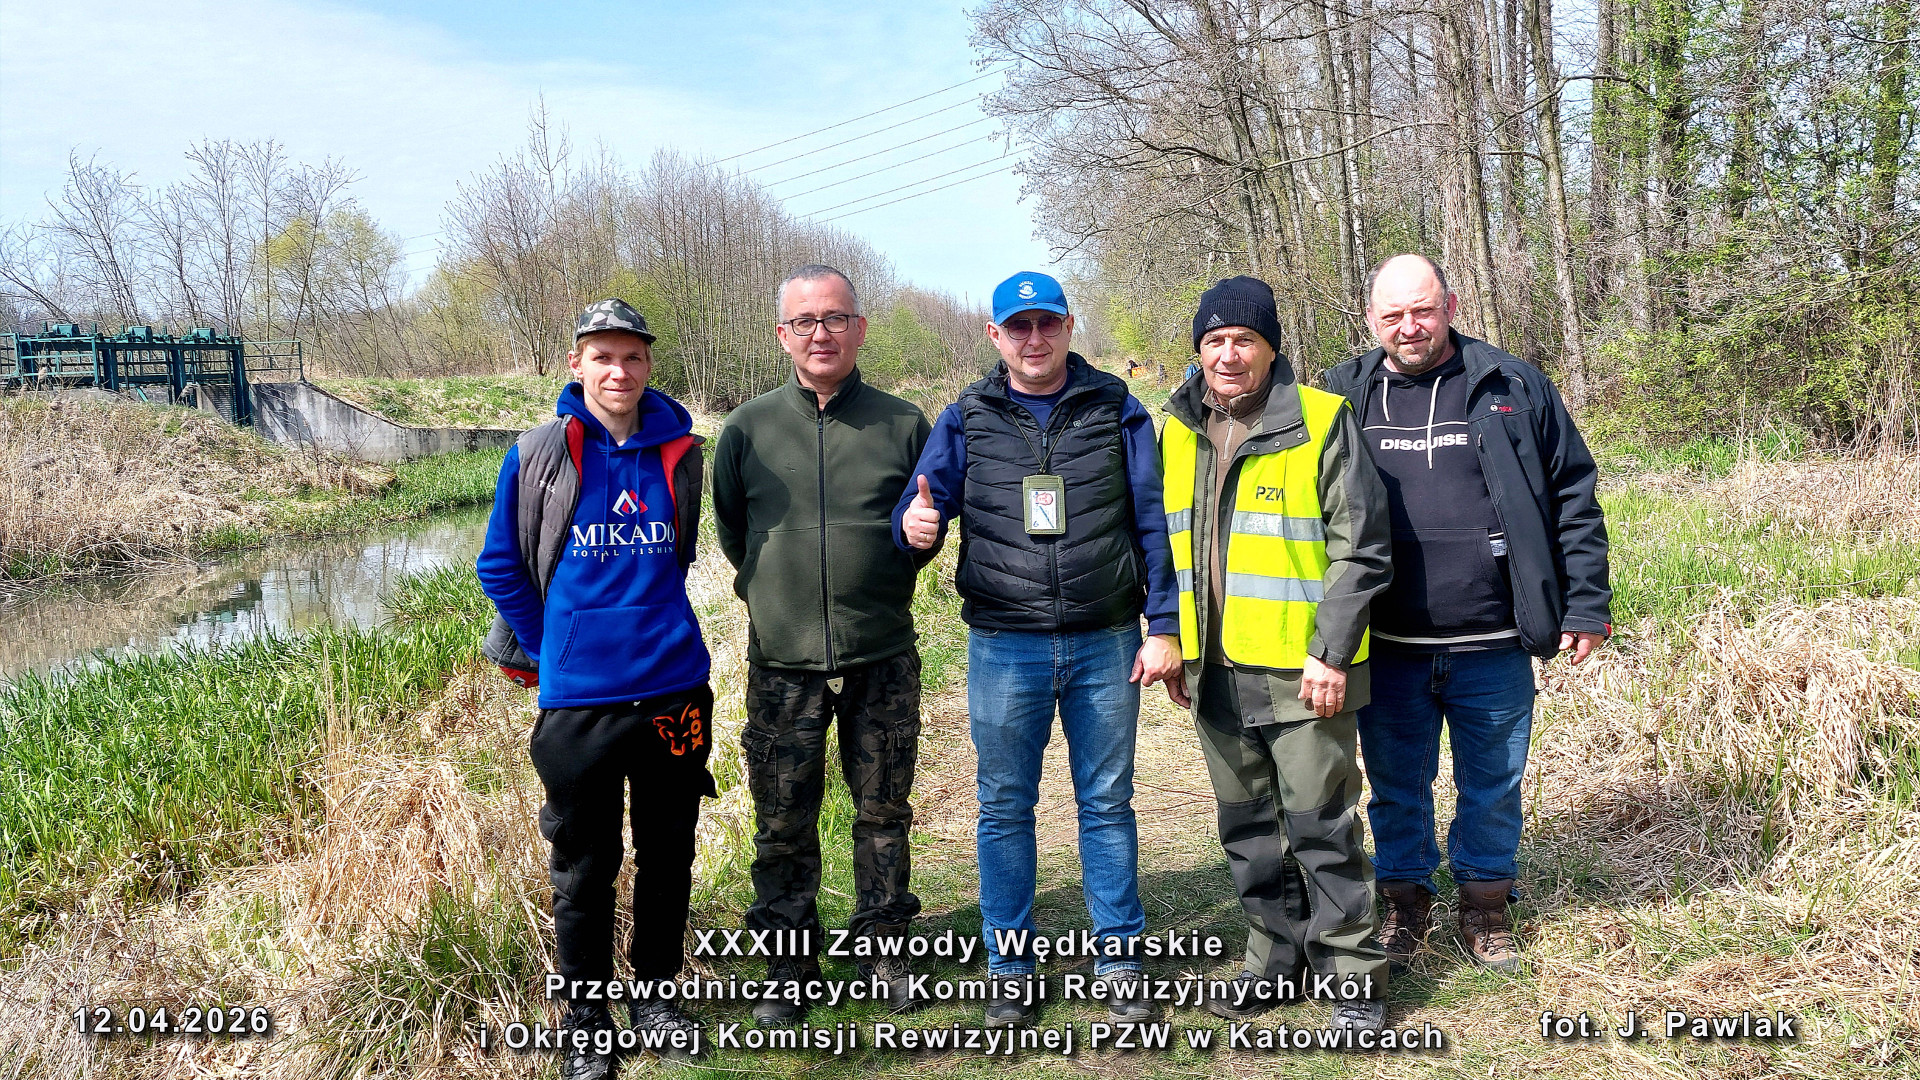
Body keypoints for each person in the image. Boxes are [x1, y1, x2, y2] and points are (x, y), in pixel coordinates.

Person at [895, 271, 1182, 1028]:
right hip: (1003, 643)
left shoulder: (1117, 407)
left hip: (1105, 639)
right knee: (1003, 808)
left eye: (1046, 323)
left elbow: (1153, 519)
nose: (1033, 339)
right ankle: (1011, 969)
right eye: (1017, 327)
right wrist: (912, 530)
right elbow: (920, 507)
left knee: (1107, 804)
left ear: (1068, 326)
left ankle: (1121, 962)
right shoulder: (967, 415)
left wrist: (1163, 626)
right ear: (994, 335)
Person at [1324, 254, 1611, 974]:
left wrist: (1586, 602)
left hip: (1495, 640)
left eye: (1423, 310)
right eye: (1393, 315)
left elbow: (1573, 495)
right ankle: (1405, 904)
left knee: (1494, 785)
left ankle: (1485, 907)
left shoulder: (1511, 385)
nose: (1409, 327)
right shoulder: (1341, 395)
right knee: (1396, 788)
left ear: (1450, 306)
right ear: (1370, 319)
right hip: (1388, 643)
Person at [476, 299, 712, 1079]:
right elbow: (499, 566)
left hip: (675, 691)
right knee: (584, 869)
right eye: (603, 357)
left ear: (649, 364)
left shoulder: (683, 451)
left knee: (669, 853)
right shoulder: (539, 453)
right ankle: (586, 1023)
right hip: (579, 705)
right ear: (576, 364)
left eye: (633, 356)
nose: (619, 371)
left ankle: (657, 998)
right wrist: (555, 652)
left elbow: (678, 558)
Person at [1159, 275, 1395, 1033]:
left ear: (1271, 349)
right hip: (1215, 674)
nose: (1228, 355)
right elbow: (1163, 549)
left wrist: (1331, 652)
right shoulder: (1175, 429)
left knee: (1322, 827)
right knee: (1249, 832)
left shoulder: (1322, 420)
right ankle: (1272, 962)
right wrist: (1174, 642)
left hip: (1304, 675)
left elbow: (1361, 550)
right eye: (1214, 340)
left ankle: (1353, 979)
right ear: (1199, 350)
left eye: (1244, 340)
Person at [711, 264, 934, 1026]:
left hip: (882, 656)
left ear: (859, 328)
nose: (821, 333)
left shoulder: (904, 425)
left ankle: (884, 952)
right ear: (783, 335)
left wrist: (919, 545)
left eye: (835, 318)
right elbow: (735, 535)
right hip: (783, 665)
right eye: (805, 321)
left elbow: (922, 530)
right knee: (781, 823)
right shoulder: (746, 430)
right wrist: (778, 596)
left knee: (883, 813)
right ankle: (789, 968)